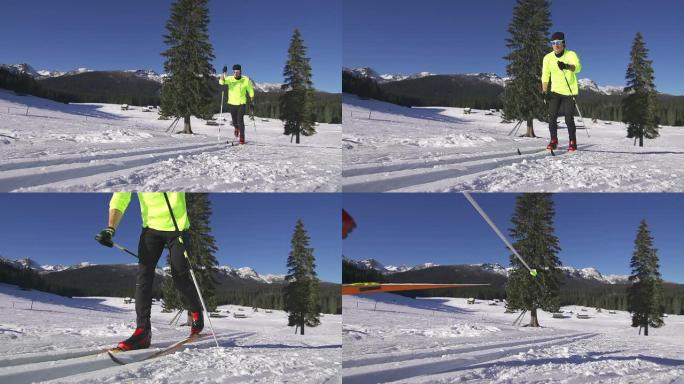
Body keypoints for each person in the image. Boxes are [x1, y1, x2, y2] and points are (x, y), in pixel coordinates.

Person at [95, 192, 203, 351]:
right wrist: (111, 228)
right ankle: (143, 331)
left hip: (177, 228)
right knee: (144, 276)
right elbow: (120, 197)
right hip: (151, 230)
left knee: (180, 278)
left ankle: (196, 311)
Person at [541, 31, 582, 152]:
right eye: (553, 43)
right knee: (552, 116)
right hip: (555, 91)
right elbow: (545, 75)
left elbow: (578, 68)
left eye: (558, 42)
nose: (556, 45)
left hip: (570, 92)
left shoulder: (571, 54)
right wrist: (544, 90)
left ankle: (572, 141)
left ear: (563, 43)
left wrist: (566, 66)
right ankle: (553, 140)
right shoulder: (547, 58)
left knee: (569, 118)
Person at [219, 64, 255, 144]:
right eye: (234, 72)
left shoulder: (245, 80)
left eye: (237, 72)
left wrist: (252, 99)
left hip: (241, 104)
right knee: (235, 121)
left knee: (240, 120)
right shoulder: (230, 79)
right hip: (232, 103)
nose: (236, 73)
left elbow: (250, 90)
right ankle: (236, 128)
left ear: (240, 72)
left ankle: (242, 137)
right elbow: (221, 82)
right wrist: (223, 73)